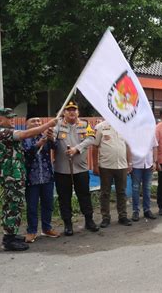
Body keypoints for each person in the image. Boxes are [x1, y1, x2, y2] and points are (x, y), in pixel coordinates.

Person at [0, 108, 56, 251]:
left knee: (15, 207)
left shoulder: (10, 133)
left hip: (17, 177)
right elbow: (25, 134)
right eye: (8, 118)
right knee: (12, 208)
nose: (12, 120)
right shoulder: (4, 133)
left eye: (13, 117)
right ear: (0, 120)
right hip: (11, 177)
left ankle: (11, 235)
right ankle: (9, 240)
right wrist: (48, 125)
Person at [53, 101, 99, 236]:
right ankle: (68, 224)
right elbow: (51, 138)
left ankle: (89, 220)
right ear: (64, 113)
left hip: (81, 168)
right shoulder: (57, 125)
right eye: (68, 110)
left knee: (84, 195)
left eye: (74, 110)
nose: (72, 112)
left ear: (78, 112)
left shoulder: (84, 124)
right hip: (62, 169)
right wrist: (49, 135)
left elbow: (92, 138)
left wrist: (77, 149)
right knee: (64, 197)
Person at [22, 113, 60, 243]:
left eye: (39, 121)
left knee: (48, 204)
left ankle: (46, 228)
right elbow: (25, 155)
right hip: (31, 178)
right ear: (26, 124)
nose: (37, 123)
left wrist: (52, 139)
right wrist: (37, 145)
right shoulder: (23, 138)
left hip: (47, 176)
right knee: (32, 206)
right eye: (34, 121)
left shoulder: (45, 136)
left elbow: (56, 148)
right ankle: (32, 231)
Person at [93, 120, 132, 227]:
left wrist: (130, 163)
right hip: (106, 166)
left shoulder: (125, 127)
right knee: (105, 193)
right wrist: (95, 165)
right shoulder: (101, 127)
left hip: (122, 165)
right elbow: (95, 146)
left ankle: (122, 216)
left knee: (122, 192)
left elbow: (128, 146)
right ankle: (105, 217)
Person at [130, 135, 158, 221]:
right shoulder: (132, 134)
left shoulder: (150, 133)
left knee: (147, 188)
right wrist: (129, 163)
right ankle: (135, 211)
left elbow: (155, 148)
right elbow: (128, 149)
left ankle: (147, 210)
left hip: (148, 165)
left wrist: (154, 162)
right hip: (136, 165)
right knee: (135, 188)